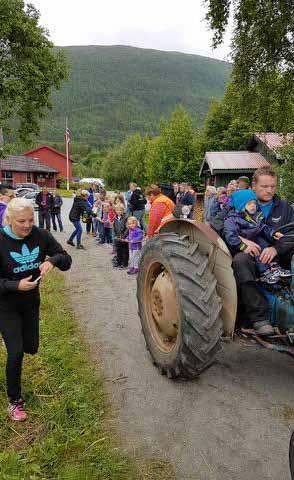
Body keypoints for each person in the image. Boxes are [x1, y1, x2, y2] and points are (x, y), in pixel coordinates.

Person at [0, 198, 71, 421]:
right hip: (6, 305)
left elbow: (66, 260)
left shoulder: (40, 235)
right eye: (22, 221)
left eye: (31, 219)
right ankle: (15, 400)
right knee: (16, 351)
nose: (28, 225)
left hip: (31, 302)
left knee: (31, 347)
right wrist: (15, 285)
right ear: (9, 220)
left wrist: (53, 260)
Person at [232, 166, 294, 334]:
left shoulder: (284, 207)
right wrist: (242, 241)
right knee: (240, 261)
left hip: (278, 254)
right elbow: (218, 224)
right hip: (250, 253)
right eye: (264, 187)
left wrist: (275, 248)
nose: (269, 191)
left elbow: (291, 234)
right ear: (253, 186)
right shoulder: (240, 202)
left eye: (273, 186)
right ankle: (259, 318)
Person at [224, 189, 291, 290]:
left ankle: (274, 266)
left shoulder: (255, 215)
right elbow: (231, 236)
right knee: (257, 250)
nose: (253, 206)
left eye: (254, 203)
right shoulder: (232, 220)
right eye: (249, 204)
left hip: (256, 238)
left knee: (266, 244)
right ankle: (265, 273)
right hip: (242, 245)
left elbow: (263, 227)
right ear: (240, 205)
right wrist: (243, 246)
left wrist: (273, 233)